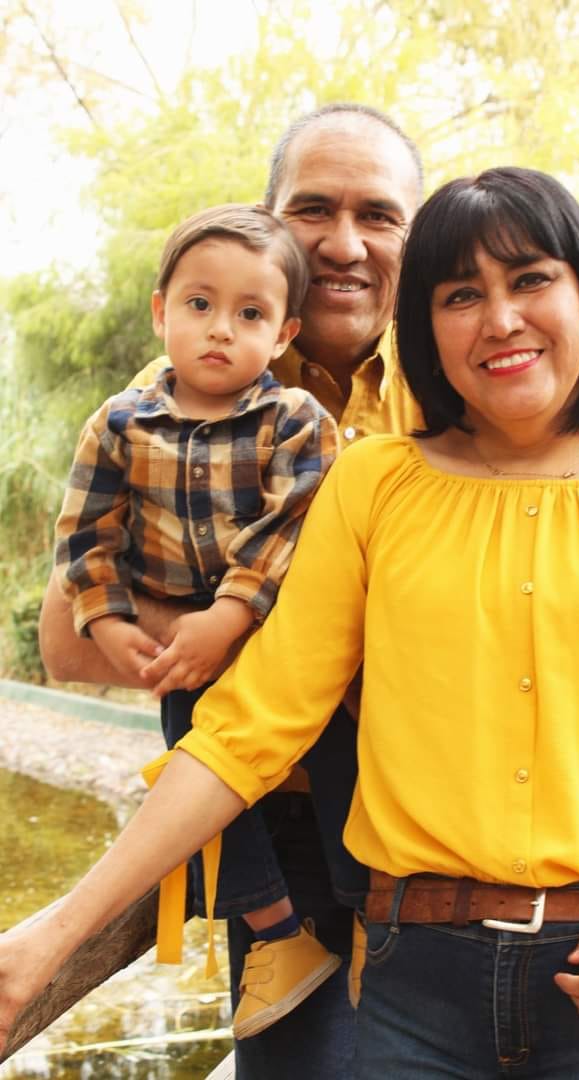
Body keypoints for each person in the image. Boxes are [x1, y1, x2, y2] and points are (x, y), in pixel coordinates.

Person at [6, 164, 579, 1079]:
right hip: (413, 998)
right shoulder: (375, 482)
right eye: (462, 295)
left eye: (531, 279)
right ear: (421, 325)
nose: (500, 319)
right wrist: (56, 934)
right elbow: (247, 730)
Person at [37, 103, 424, 1077]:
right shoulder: (176, 386)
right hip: (267, 815)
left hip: (433, 817)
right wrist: (312, 644)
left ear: (416, 241)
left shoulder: (459, 379)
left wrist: (259, 635)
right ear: (266, 220)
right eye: (313, 210)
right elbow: (72, 642)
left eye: (379, 215)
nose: (344, 243)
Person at [53, 201, 344, 1039]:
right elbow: (85, 532)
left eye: (249, 315)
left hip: (275, 643)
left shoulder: (293, 422)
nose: (221, 330)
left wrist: (231, 612)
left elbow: (295, 524)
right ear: (161, 312)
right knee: (196, 777)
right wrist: (107, 621)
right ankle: (276, 934)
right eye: (199, 305)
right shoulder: (120, 422)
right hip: (186, 649)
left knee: (329, 766)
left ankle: (360, 916)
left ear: (284, 334)